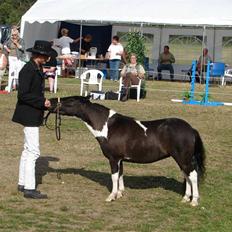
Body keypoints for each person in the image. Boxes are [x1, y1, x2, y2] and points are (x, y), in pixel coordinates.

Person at [12, 40, 57, 199]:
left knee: (27, 150)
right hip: (29, 114)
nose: (47, 59)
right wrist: (41, 102)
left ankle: (22, 183)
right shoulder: (28, 70)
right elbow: (23, 94)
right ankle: (29, 189)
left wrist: (43, 103)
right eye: (45, 56)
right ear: (38, 55)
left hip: (32, 112)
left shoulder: (36, 68)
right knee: (33, 151)